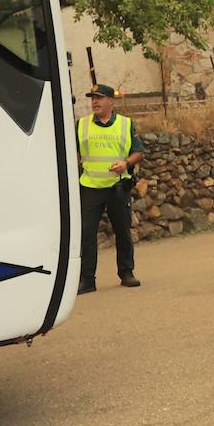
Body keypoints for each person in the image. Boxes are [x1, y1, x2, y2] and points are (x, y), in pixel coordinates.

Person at [77, 84, 143, 294]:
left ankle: (126, 273)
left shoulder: (125, 124)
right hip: (90, 186)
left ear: (110, 101)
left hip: (117, 186)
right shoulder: (81, 125)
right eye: (92, 98)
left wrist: (126, 163)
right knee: (86, 234)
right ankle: (87, 280)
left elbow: (138, 152)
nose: (95, 102)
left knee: (122, 231)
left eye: (99, 98)